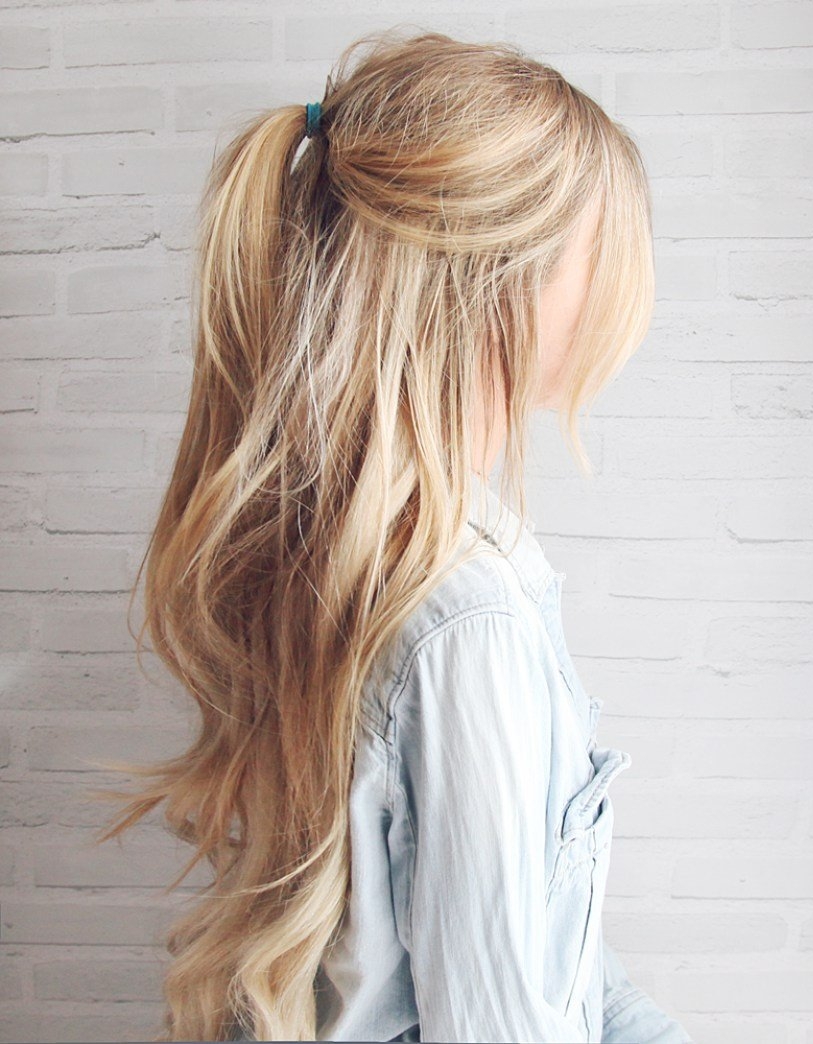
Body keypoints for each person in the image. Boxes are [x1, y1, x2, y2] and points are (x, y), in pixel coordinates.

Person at [88, 27, 693, 1043]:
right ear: (503, 283)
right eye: (603, 252)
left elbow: (559, 955)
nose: (623, 288)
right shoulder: (469, 622)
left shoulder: (329, 545)